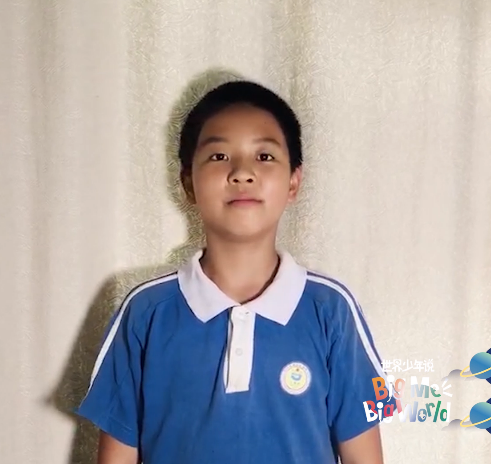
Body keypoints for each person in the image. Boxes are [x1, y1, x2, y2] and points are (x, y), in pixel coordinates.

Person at [76, 80, 387, 464]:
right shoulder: (146, 313)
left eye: (265, 156)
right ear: (188, 182)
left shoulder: (331, 311)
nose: (242, 172)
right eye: (219, 156)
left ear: (294, 182)